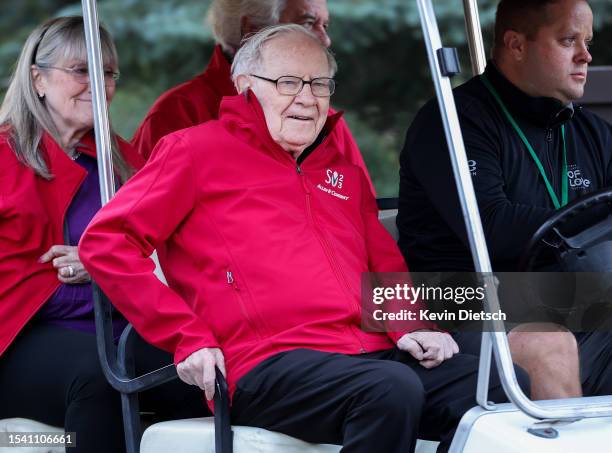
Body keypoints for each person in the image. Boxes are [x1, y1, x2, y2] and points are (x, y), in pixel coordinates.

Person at [80, 25, 527, 453]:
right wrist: (187, 336)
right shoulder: (193, 151)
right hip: (263, 361)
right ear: (244, 85)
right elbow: (107, 242)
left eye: (319, 84)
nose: (306, 99)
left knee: (503, 385)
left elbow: (384, 264)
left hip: (366, 352)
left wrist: (408, 324)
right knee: (390, 390)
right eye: (288, 82)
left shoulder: (341, 172)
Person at [0, 17, 208, 453]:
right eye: (82, 69)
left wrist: (99, 262)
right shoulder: (5, 156)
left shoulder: (121, 160)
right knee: (99, 382)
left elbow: (169, 254)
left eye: (108, 72)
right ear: (37, 78)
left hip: (117, 328)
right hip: (20, 339)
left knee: (201, 375)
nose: (100, 82)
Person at [397, 0, 612, 400]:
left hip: (567, 294)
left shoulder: (591, 131)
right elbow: (491, 227)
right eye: (568, 40)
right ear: (515, 44)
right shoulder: (454, 120)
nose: (586, 55)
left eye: (587, 41)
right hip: (457, 298)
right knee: (548, 346)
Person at [131, 0, 373, 194]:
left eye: (325, 26)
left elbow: (365, 213)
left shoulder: (325, 120)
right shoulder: (179, 113)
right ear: (251, 30)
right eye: (308, 23)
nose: (325, 39)